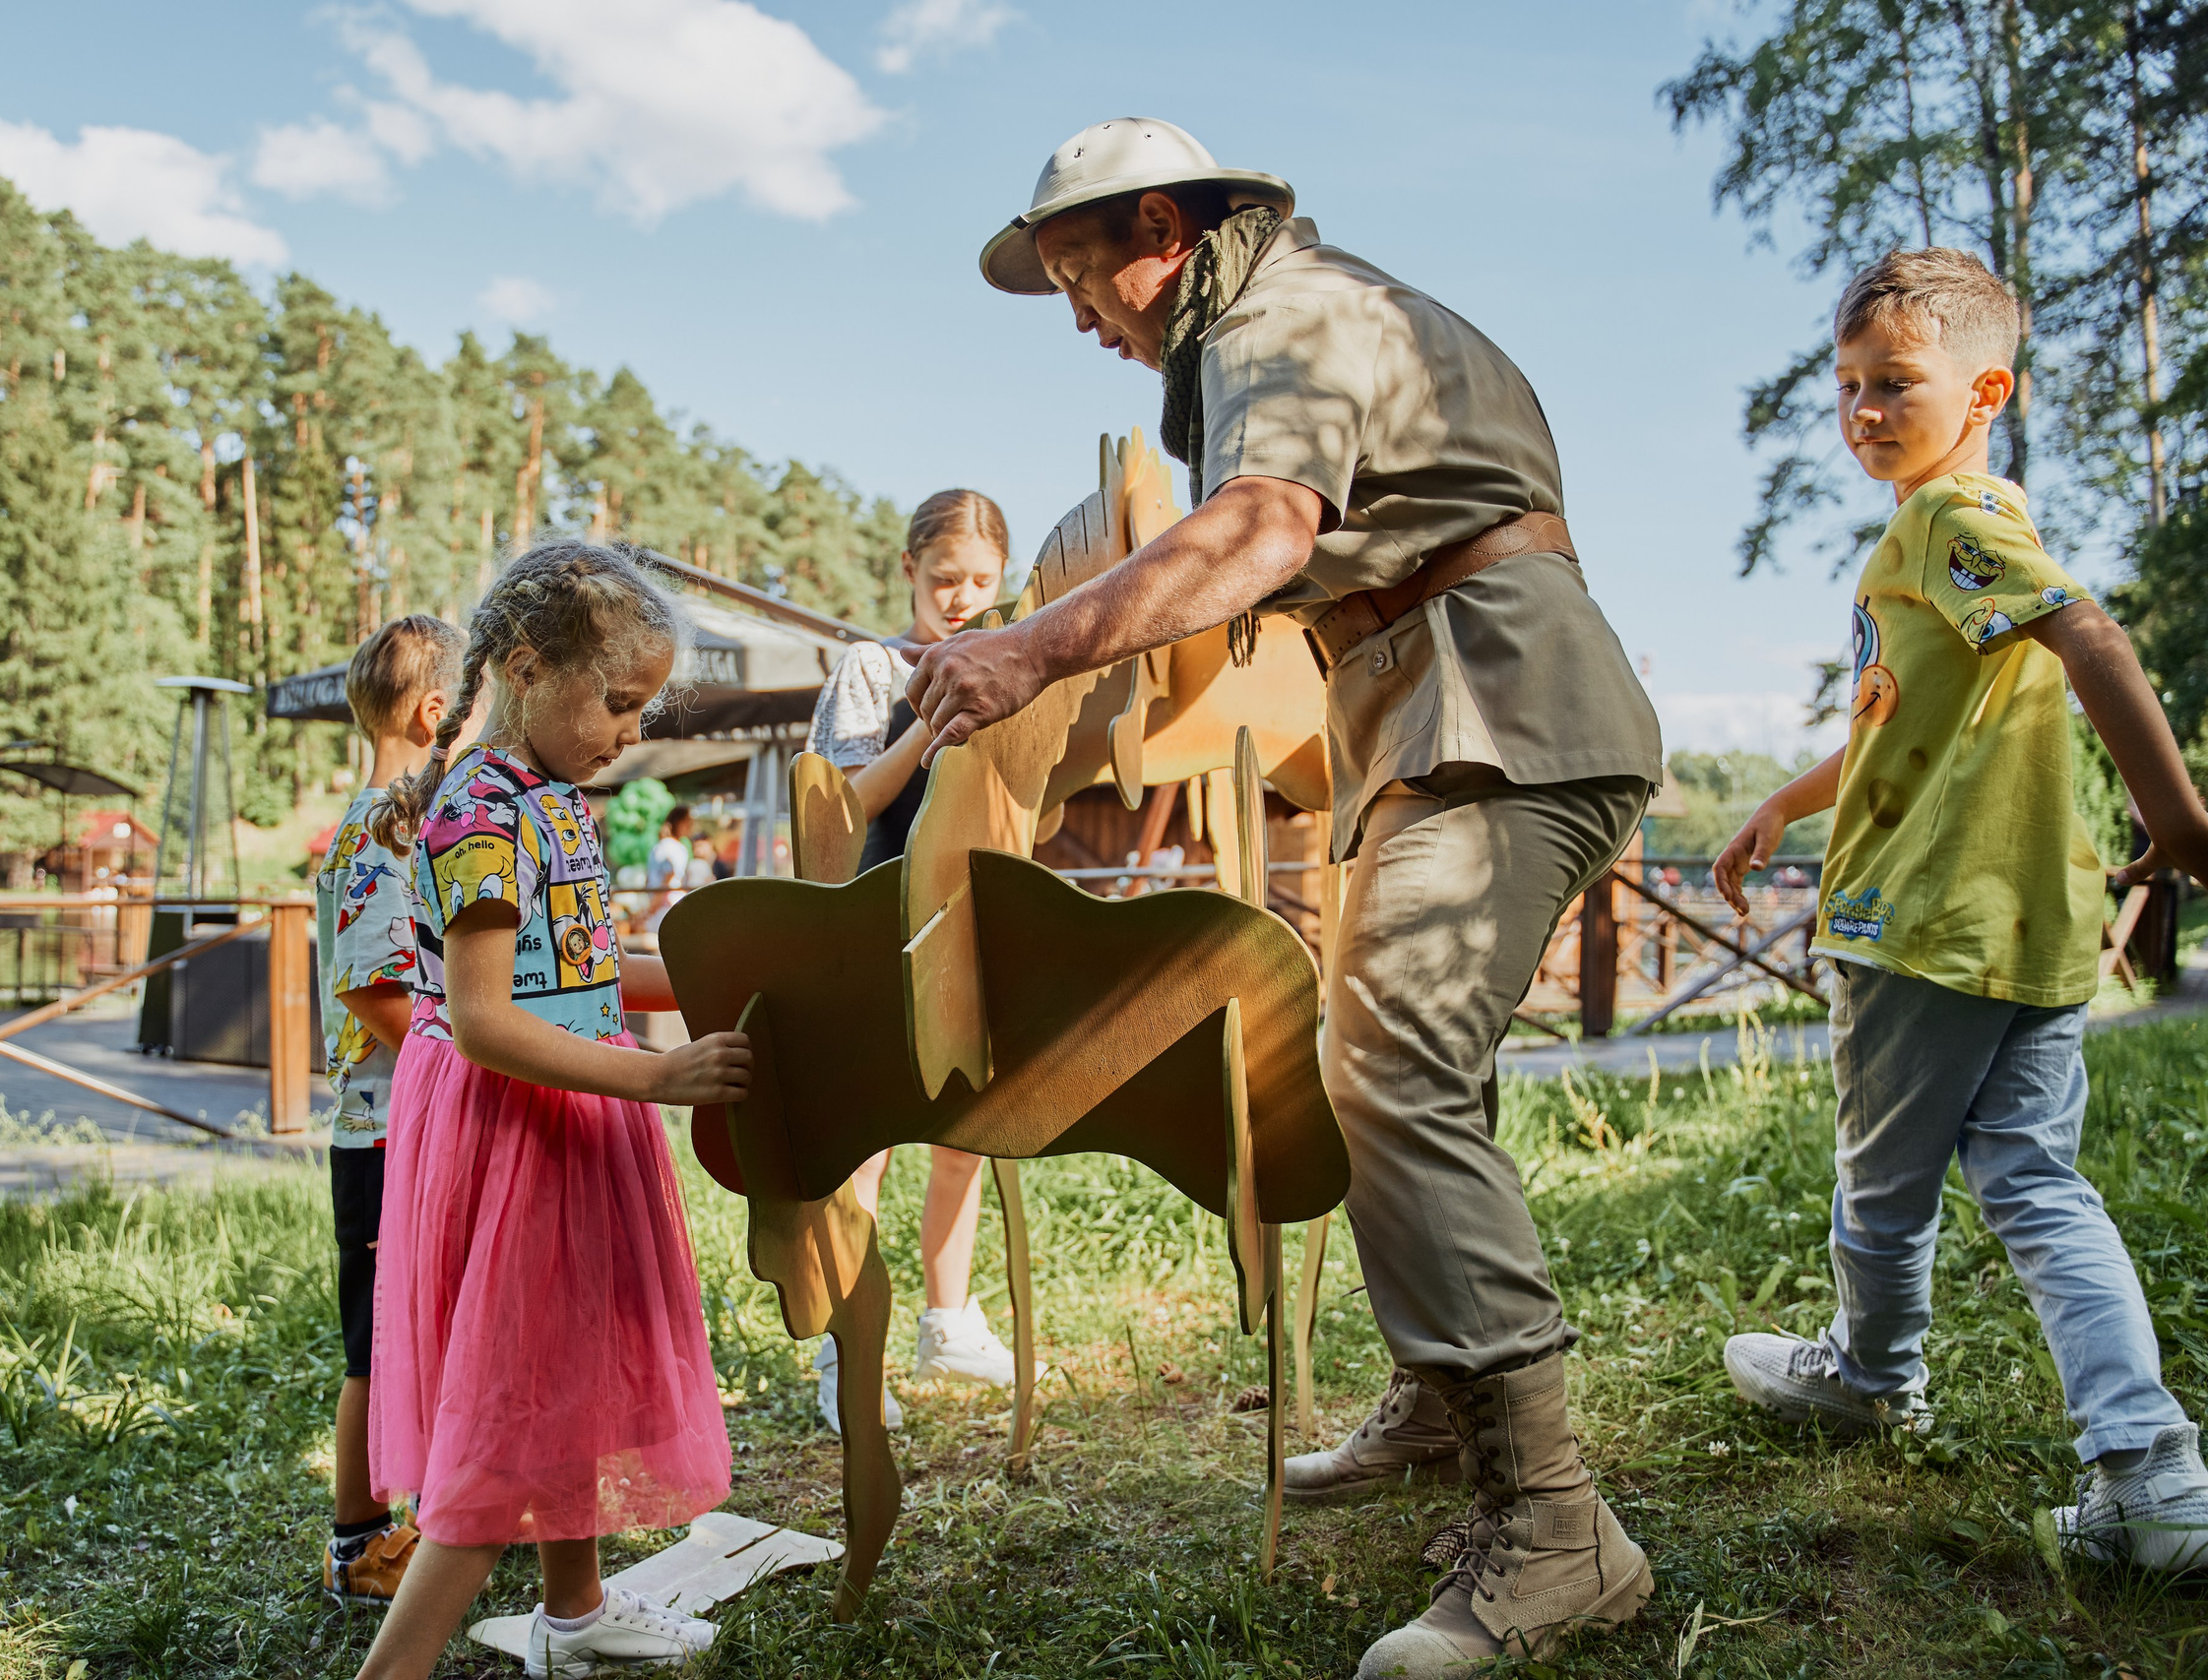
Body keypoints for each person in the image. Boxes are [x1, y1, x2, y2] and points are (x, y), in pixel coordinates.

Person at [923, 119, 1667, 1676]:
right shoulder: (1275, 322)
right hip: (1430, 704)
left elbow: (1262, 534)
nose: (1080, 318)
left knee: (1388, 1068)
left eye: (1082, 276)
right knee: (1403, 1068)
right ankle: (1443, 1399)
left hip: (1500, 704)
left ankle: (1555, 1525)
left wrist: (1028, 647)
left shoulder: (1279, 315)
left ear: (1162, 228)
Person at [1713, 249, 2208, 1571]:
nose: (1865, 411)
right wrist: (1786, 801)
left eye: (1896, 384)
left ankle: (1870, 1374)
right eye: (1849, 388)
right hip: (2027, 923)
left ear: (1986, 387)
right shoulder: (1977, 528)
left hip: (1917, 923)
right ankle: (2154, 1480)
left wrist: (2185, 822)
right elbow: (1893, 721)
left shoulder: (1943, 523)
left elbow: (2095, 640)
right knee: (2039, 1184)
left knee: (1881, 1190)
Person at [353, 540, 753, 1680]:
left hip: (573, 1113)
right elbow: (483, 1019)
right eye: (618, 702)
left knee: (564, 1367)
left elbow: (576, 969)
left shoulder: (556, 794)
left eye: (643, 708)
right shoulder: (483, 809)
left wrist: (719, 974)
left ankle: (574, 1616)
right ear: (525, 668)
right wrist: (658, 1077)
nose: (632, 731)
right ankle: (394, 1670)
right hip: (515, 1125)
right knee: (506, 1409)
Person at [803, 487, 1032, 1433]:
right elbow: (844, 803)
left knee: (961, 1130)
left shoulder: (1006, 665)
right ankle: (843, 1350)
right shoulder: (870, 665)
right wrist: (927, 723)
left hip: (969, 924)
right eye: (946, 579)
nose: (965, 597)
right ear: (909, 572)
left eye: (983, 581)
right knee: (869, 1148)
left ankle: (948, 1316)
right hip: (876, 920)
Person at [311, 613, 467, 1607]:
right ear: (435, 713)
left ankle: (426, 1515)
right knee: (373, 1347)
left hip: (408, 1130)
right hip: (380, 1135)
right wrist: (469, 1053)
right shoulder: (378, 835)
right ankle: (358, 1541)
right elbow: (376, 990)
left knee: (415, 1329)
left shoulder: (397, 830)